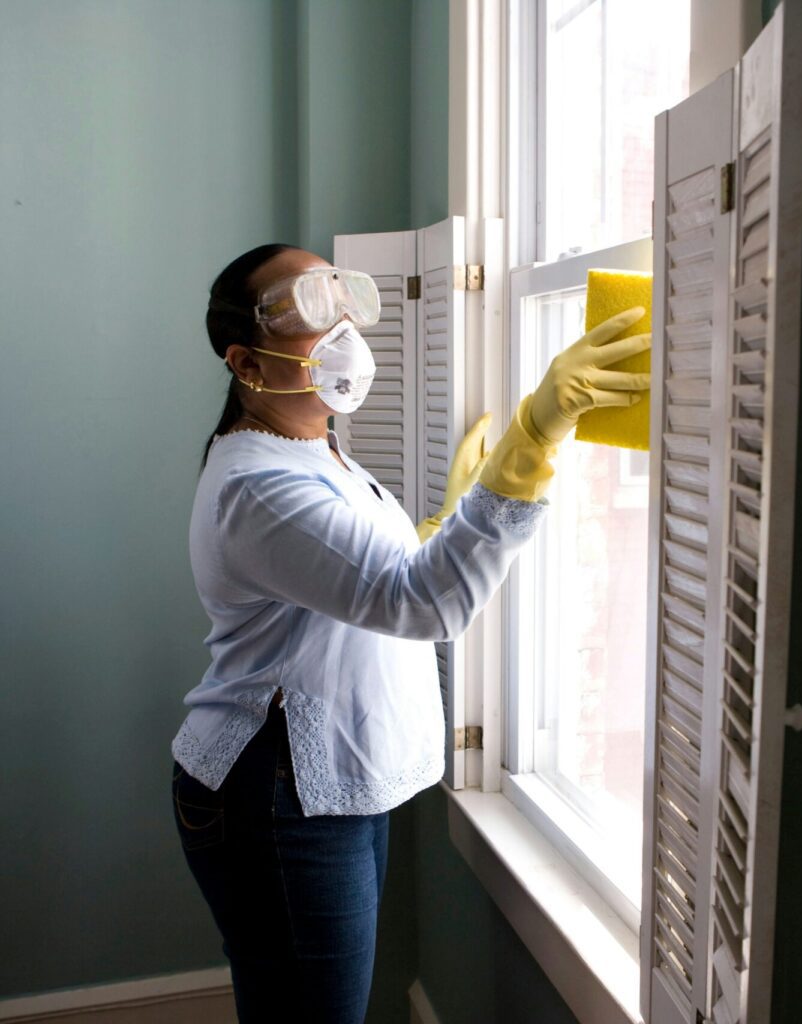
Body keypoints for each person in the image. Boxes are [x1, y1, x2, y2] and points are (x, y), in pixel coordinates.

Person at [169, 243, 650, 1023]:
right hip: (275, 792)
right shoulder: (258, 483)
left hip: (320, 784)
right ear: (246, 363)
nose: (344, 323)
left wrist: (443, 521)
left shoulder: (315, 450)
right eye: (308, 307)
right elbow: (422, 604)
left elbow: (359, 576)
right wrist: (532, 438)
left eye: (343, 294)